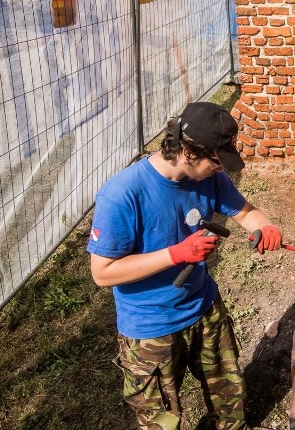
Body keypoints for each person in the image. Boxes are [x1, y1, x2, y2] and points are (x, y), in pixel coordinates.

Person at [87, 102, 283, 429]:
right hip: (150, 328)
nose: (221, 170)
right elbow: (102, 272)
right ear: (188, 152)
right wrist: (176, 254)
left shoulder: (209, 178)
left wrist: (266, 226)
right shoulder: (122, 195)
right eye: (216, 161)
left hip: (204, 306)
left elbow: (246, 213)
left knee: (229, 400)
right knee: (161, 421)